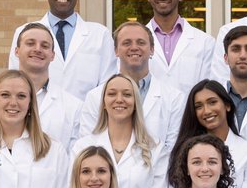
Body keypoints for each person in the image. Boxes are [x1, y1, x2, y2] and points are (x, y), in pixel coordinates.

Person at [7, 0, 115, 101]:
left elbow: (107, 84)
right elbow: (15, 81)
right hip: (38, 116)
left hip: (86, 119)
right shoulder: (24, 33)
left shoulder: (100, 35)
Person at [0, 23, 83, 149]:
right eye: (30, 43)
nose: (37, 49)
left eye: (45, 46)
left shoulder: (73, 107)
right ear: (17, 51)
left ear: (52, 55)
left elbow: (74, 160)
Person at [71, 73, 166, 188]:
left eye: (127, 94)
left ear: (136, 103)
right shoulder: (83, 147)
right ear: (103, 103)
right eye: (112, 94)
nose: (119, 99)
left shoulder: (155, 149)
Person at [77, 21, 181, 150]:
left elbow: (173, 150)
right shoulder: (95, 97)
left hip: (157, 169)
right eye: (126, 43)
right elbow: (88, 147)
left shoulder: (174, 98)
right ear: (115, 50)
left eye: (141, 42)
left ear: (152, 49)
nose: (134, 47)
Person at [172, 79, 247, 188]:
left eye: (212, 102)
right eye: (199, 106)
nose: (207, 111)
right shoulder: (184, 151)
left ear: (227, 105)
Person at [145, 0, 215, 95]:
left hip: (188, 116)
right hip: (147, 116)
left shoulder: (205, 43)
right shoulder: (134, 43)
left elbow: (208, 92)